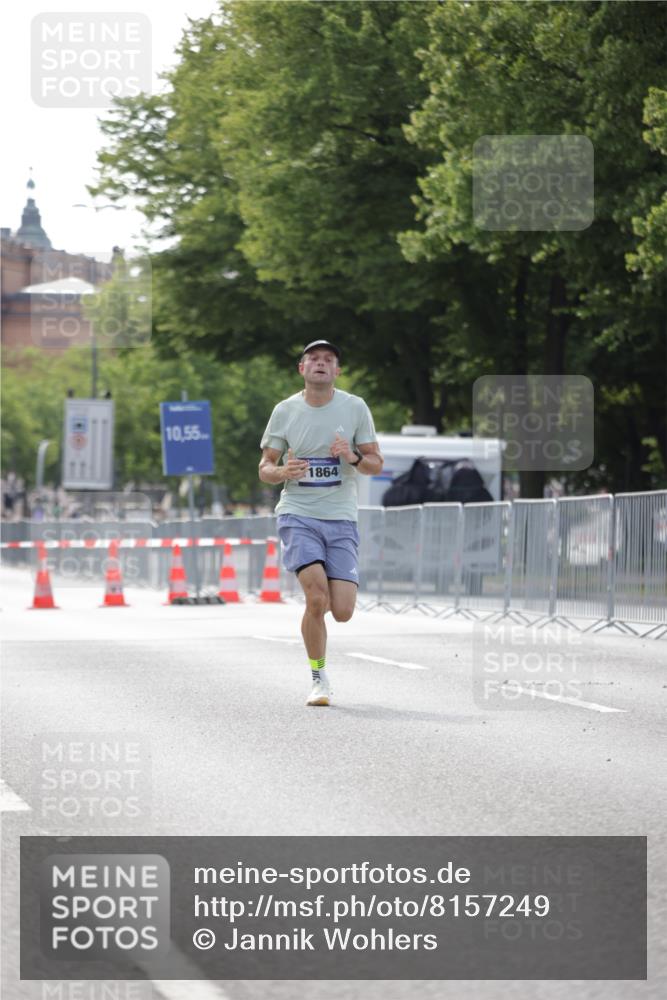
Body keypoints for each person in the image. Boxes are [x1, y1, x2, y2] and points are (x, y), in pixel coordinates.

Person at [259, 340, 383, 706]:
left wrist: (352, 455)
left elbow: (376, 464)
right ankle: (318, 678)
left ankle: (319, 621)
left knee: (341, 610)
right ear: (302, 369)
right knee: (316, 598)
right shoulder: (285, 410)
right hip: (298, 513)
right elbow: (265, 468)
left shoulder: (355, 407)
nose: (320, 363)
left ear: (337, 371)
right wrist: (283, 470)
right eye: (313, 358)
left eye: (329, 359)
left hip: (341, 517)